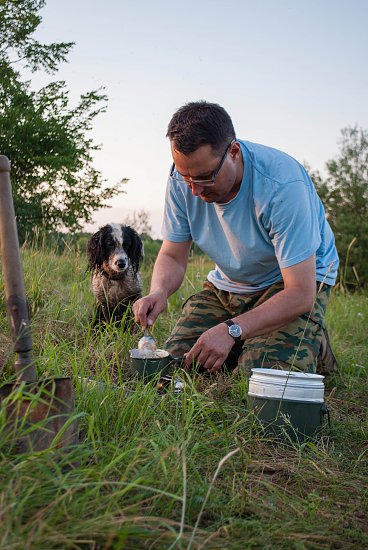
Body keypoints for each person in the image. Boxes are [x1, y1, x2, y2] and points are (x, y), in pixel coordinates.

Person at [133, 101, 339, 375]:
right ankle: (252, 339)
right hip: (230, 285)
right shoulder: (183, 180)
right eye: (186, 177)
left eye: (206, 177)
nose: (194, 191)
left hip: (289, 284)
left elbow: (300, 293)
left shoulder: (282, 186)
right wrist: (159, 291)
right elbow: (172, 254)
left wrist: (231, 330)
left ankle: (312, 338)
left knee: (260, 375)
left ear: (234, 151)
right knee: (179, 365)